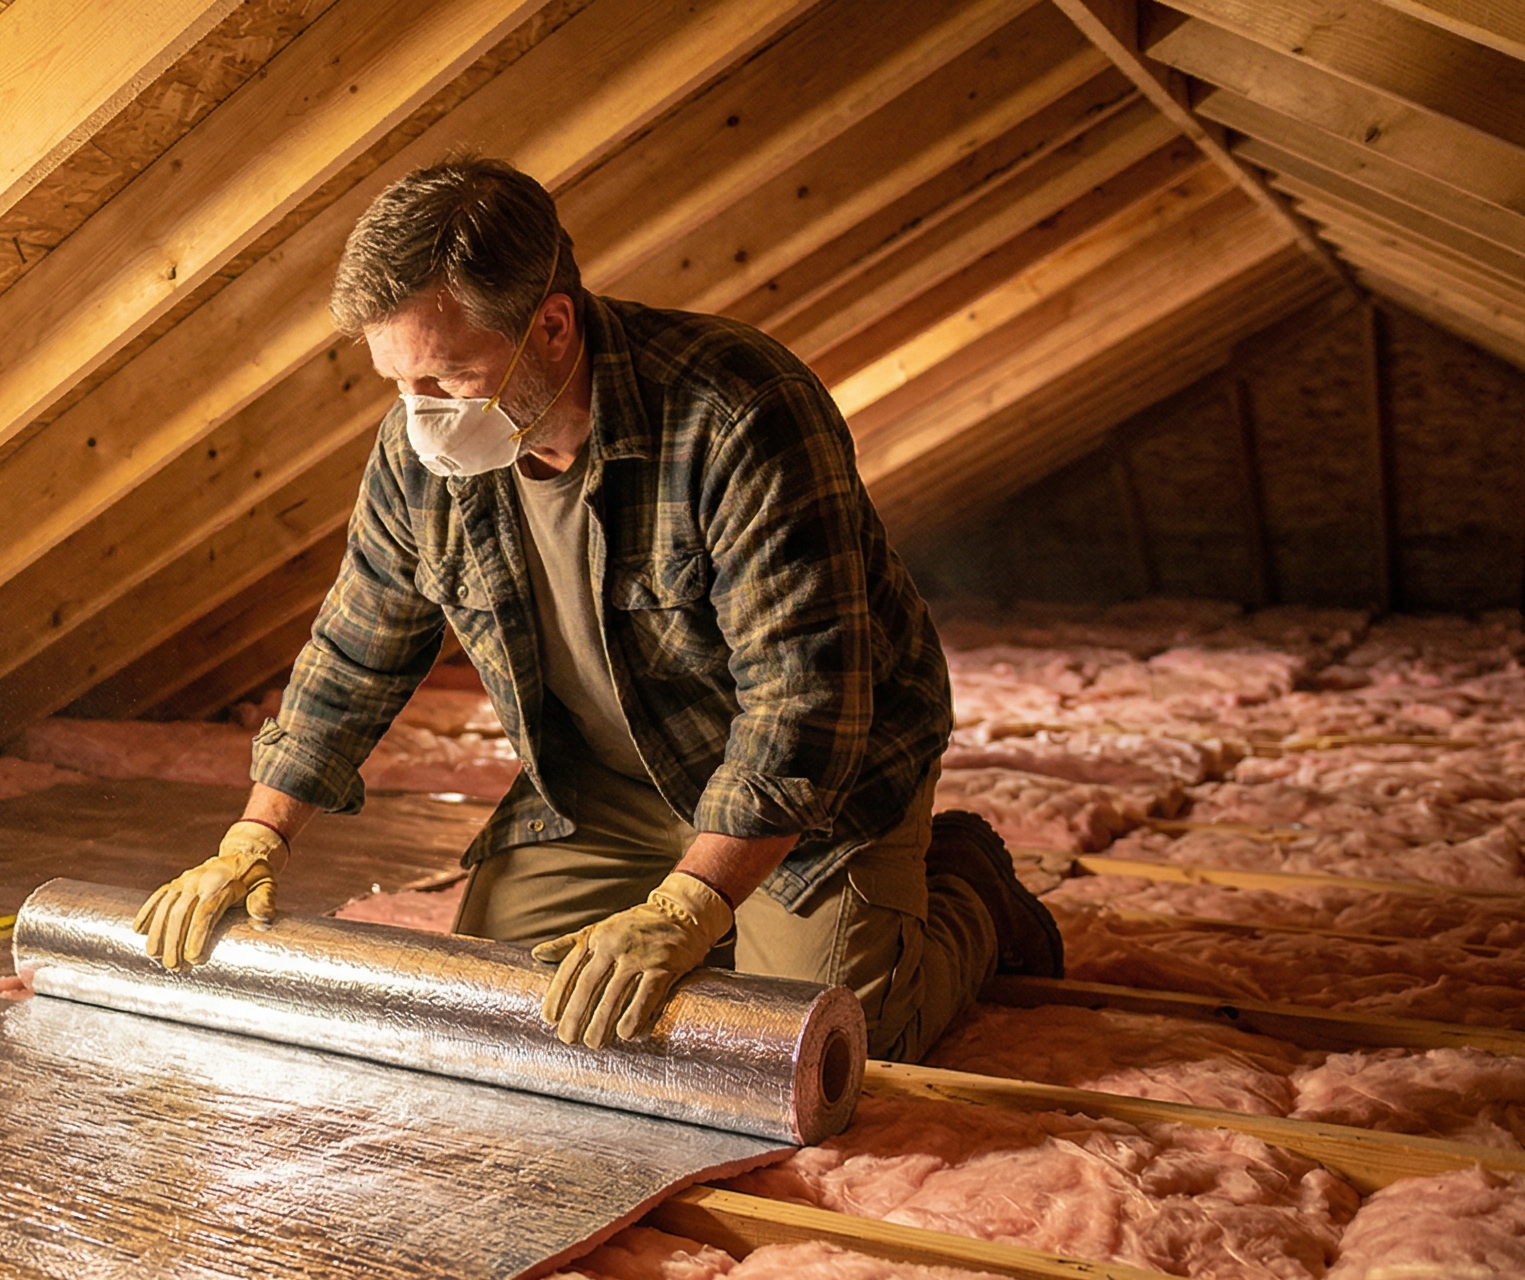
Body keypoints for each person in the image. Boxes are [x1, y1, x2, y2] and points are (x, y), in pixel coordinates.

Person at [132, 156, 1062, 1063]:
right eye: (399, 385)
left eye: (448, 380)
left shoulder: (738, 412)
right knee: (496, 1004)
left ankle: (964, 883)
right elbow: (354, 647)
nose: (418, 417)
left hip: (822, 787)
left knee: (831, 1039)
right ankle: (748, 912)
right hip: (605, 791)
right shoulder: (418, 453)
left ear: (552, 326)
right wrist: (255, 837)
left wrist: (684, 909)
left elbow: (802, 706)